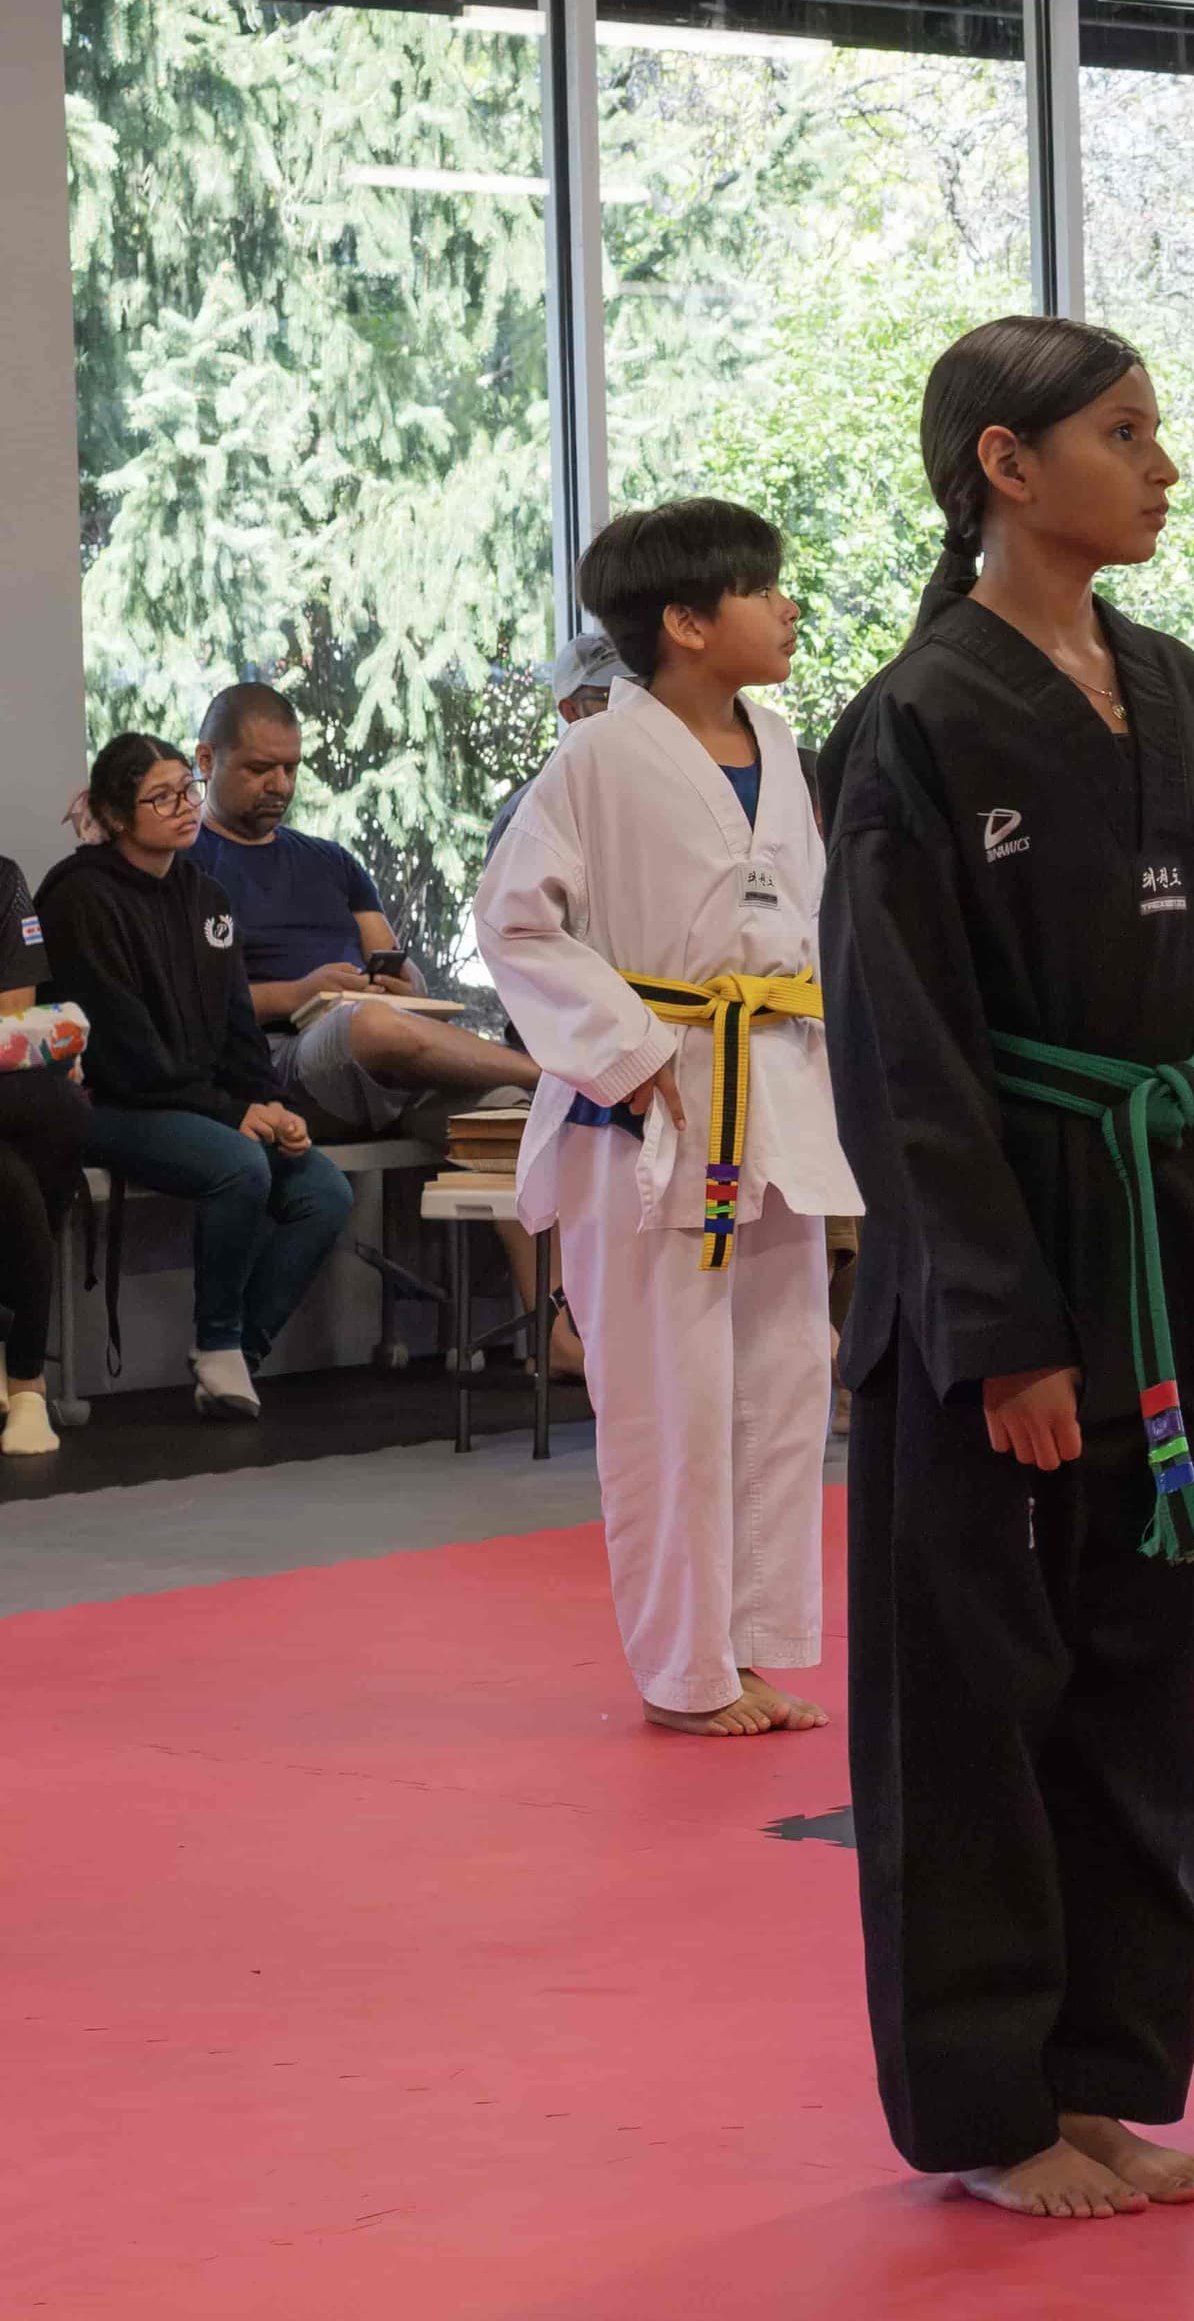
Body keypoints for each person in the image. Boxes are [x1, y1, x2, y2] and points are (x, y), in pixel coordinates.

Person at [819, 316, 1194, 2220]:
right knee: (982, 1693)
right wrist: (998, 1329)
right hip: (1017, 1242)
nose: (1163, 468)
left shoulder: (1164, 683)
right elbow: (906, 1053)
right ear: (1005, 463)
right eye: (1126, 433)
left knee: (1145, 1671)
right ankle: (988, 2108)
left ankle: (1099, 2076)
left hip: (1178, 1215)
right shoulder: (914, 717)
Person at [475, 497, 857, 1741]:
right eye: (763, 588)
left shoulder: (783, 742)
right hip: (652, 1114)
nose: (787, 607)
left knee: (781, 1386)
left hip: (776, 1091)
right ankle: (681, 1670)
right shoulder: (594, 757)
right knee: (667, 1400)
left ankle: (748, 1646)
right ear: (688, 623)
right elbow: (516, 924)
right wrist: (634, 1059)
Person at [192, 681, 571, 1370]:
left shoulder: (331, 861)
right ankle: (553, 1073)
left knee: (507, 1119)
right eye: (257, 769)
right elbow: (189, 1005)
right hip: (281, 1064)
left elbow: (401, 969)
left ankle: (551, 1335)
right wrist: (302, 993)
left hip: (384, 1059)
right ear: (205, 760)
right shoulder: (188, 867)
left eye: (291, 768)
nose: (278, 784)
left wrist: (405, 984)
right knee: (373, 1027)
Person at [36, 736, 356, 1418]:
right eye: (162, 797)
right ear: (116, 816)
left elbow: (239, 1026)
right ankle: (216, 1345)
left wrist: (268, 1099)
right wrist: (230, 1112)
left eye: (187, 789)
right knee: (240, 1166)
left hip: (201, 1104)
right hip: (111, 1106)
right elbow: (123, 1052)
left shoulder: (205, 895)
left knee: (323, 1190)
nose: (185, 807)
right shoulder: (77, 898)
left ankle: (239, 1351)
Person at [0, 851, 92, 1457]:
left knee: (59, 1110)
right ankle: (27, 1378)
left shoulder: (2, 879)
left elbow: (12, 1023)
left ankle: (21, 1372)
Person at [486, 630, 635, 859]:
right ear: (571, 711)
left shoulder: (651, 789)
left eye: (633, 690)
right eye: (607, 696)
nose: (625, 704)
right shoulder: (531, 814)